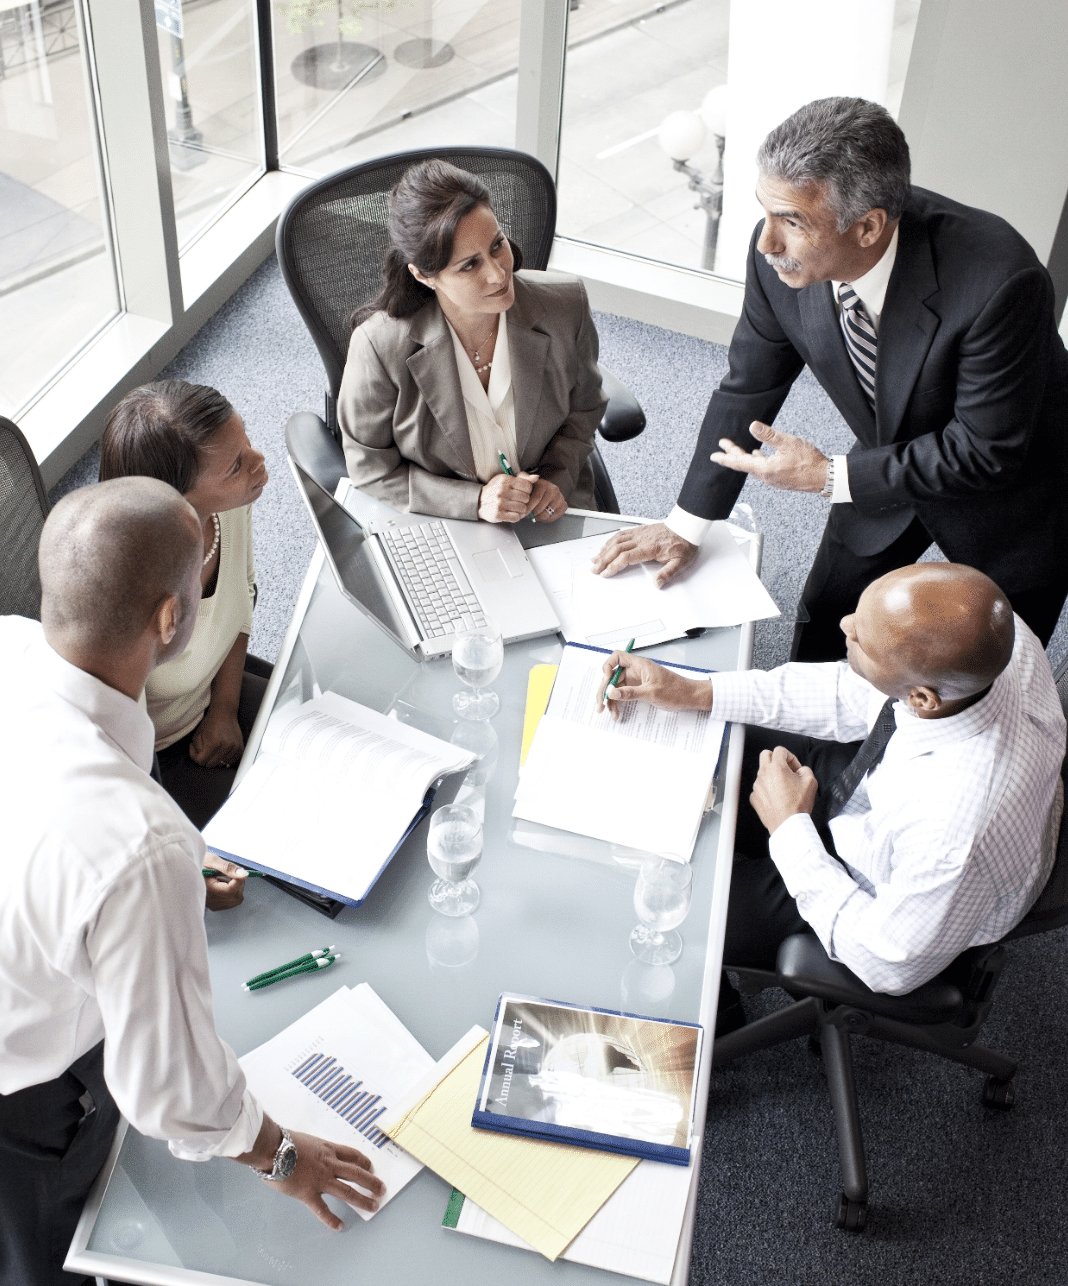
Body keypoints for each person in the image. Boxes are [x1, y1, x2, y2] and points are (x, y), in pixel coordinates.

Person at [0, 478, 385, 1286]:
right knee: (42, 1257)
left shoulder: (7, 644)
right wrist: (282, 1154)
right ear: (171, 619)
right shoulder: (141, 844)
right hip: (25, 1098)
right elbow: (167, 1094)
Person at [592, 97, 1068, 662]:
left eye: (792, 222)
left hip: (1011, 494)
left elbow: (986, 452)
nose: (767, 243)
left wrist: (828, 476)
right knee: (829, 623)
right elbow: (748, 387)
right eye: (766, 212)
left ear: (867, 227)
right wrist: (687, 523)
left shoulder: (1000, 281)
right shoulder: (775, 257)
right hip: (883, 456)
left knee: (996, 669)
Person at [597, 564, 1065, 1017]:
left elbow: (888, 962)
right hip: (883, 799)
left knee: (670, 906)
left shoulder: (956, 835)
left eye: (861, 639)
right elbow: (852, 690)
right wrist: (697, 691)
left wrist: (790, 829)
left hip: (884, 896)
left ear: (922, 698)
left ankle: (719, 1011)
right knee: (701, 743)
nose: (844, 626)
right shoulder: (992, 635)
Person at [337, 158, 608, 524]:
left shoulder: (565, 306)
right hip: (444, 522)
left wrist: (555, 477)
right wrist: (473, 501)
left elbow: (584, 410)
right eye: (469, 265)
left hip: (547, 512)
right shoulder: (379, 345)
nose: (498, 274)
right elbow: (369, 468)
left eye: (497, 245)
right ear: (424, 275)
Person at [99, 381, 271, 849]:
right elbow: (119, 768)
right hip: (150, 763)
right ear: (177, 499)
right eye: (237, 466)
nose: (259, 464)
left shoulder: (227, 506)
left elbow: (241, 599)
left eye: (247, 444)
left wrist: (225, 707)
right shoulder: (127, 598)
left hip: (211, 700)